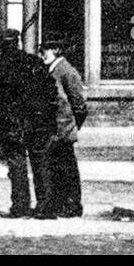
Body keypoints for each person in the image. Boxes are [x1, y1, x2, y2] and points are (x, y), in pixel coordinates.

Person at [0, 29, 57, 218]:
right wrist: (44, 115)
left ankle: (21, 206)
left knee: (17, 164)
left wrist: (0, 118)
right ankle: (45, 207)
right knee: (41, 163)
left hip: (11, 125)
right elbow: (51, 91)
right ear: (18, 43)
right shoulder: (35, 63)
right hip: (37, 123)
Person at [41, 39, 87, 217]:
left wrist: (73, 125)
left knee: (67, 168)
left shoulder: (66, 71)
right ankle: (60, 203)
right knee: (56, 168)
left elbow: (78, 104)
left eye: (46, 49)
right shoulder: (53, 69)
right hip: (54, 128)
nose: (43, 53)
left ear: (57, 50)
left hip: (63, 128)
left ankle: (73, 205)